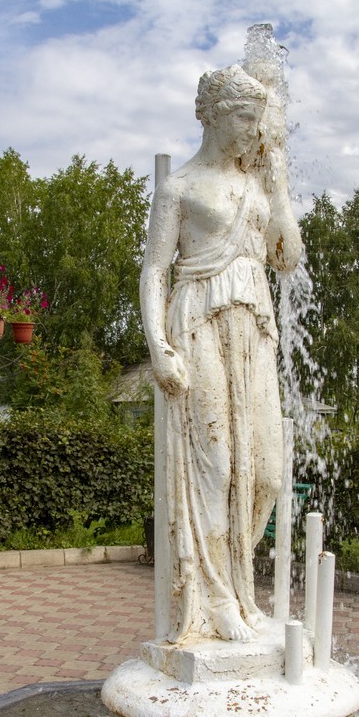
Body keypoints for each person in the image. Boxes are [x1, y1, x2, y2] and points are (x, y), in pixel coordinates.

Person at [141, 64, 302, 643]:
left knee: (265, 473)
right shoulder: (180, 188)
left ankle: (238, 582)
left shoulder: (257, 186)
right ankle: (216, 598)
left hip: (254, 323)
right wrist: (158, 347)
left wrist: (279, 181)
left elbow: (287, 258)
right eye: (242, 117)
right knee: (217, 466)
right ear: (210, 115)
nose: (252, 130)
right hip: (200, 321)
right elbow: (155, 271)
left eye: (258, 119)